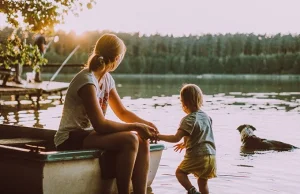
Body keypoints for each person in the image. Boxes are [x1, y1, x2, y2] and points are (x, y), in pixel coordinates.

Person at [54, 33, 158, 194]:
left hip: (90, 135)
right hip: (70, 137)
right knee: (130, 139)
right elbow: (101, 125)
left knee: (142, 139)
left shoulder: (107, 79)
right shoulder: (87, 81)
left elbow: (122, 112)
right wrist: (136, 127)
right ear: (117, 58)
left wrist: (145, 125)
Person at [157, 84, 217, 194]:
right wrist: (185, 143)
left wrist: (157, 136)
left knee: (180, 173)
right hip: (211, 157)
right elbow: (200, 134)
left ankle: (192, 191)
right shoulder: (207, 117)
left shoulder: (188, 119)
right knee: (202, 182)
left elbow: (175, 138)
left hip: (197, 155)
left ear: (184, 103)